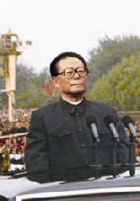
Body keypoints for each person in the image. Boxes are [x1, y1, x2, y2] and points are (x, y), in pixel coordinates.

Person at [25, 51, 129, 181]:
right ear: (56, 82)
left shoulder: (107, 114)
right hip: (64, 196)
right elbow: (37, 168)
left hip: (104, 192)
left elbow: (125, 158)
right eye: (69, 73)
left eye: (81, 71)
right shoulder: (43, 118)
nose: (77, 76)